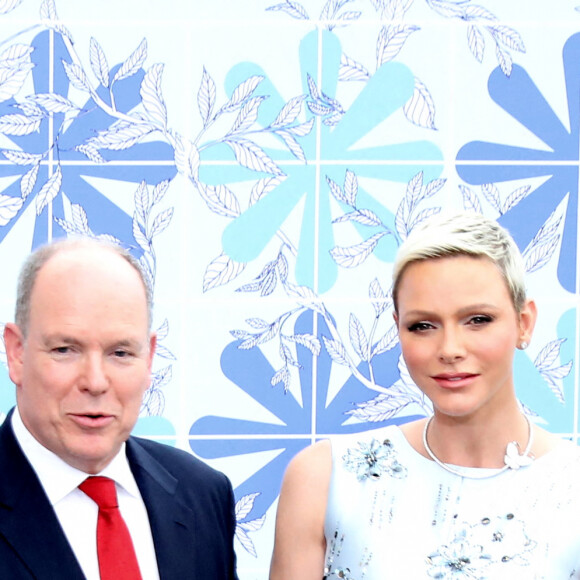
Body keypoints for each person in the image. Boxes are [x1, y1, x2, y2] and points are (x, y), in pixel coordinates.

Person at [269, 211, 580, 579]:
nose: (450, 349)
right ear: (398, 329)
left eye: (477, 319)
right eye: (423, 326)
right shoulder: (326, 476)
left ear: (524, 323)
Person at [0, 238, 238, 579]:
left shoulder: (202, 493)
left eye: (121, 353)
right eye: (66, 349)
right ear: (17, 353)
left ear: (150, 357)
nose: (95, 382)